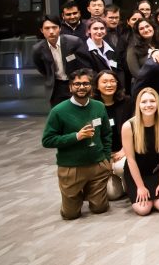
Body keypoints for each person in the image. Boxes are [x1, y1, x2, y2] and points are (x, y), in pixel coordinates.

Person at [41, 69, 113, 220]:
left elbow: (106, 134)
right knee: (70, 214)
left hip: (97, 165)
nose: (81, 87)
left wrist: (106, 157)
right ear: (70, 87)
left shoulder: (99, 107)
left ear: (91, 86)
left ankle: (90, 193)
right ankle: (74, 197)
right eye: (77, 84)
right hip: (71, 167)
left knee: (100, 208)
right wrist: (76, 136)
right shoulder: (58, 111)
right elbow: (47, 140)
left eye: (86, 83)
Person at [121, 88, 159, 215]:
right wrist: (140, 187)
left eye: (152, 101)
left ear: (158, 104)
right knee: (143, 209)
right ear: (138, 104)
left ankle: (157, 192)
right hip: (137, 172)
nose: (148, 105)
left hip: (157, 171)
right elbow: (131, 160)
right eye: (144, 102)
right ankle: (131, 188)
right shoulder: (128, 126)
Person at [33, 15, 93, 107]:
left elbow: (85, 64)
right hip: (56, 86)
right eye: (47, 28)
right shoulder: (38, 49)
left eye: (54, 27)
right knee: (59, 114)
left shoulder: (74, 42)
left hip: (75, 82)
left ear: (60, 28)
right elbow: (41, 68)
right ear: (42, 30)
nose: (51, 31)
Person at [93, 70, 132, 201]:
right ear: (97, 86)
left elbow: (135, 129)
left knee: (122, 168)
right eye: (104, 82)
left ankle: (128, 180)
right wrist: (105, 156)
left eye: (112, 81)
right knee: (112, 195)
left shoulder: (127, 102)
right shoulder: (92, 106)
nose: (109, 85)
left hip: (124, 150)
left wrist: (124, 150)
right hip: (103, 155)